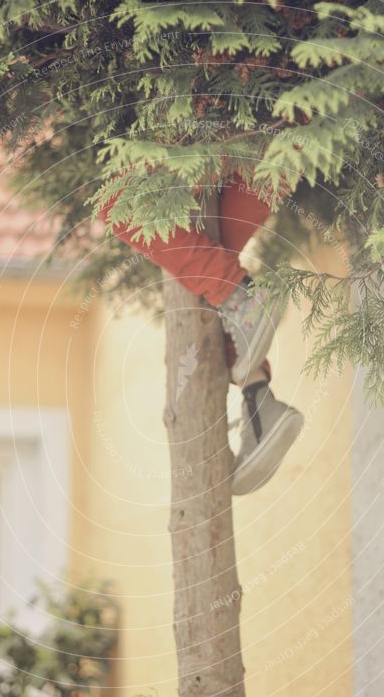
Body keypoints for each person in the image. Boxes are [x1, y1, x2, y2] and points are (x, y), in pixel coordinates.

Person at [99, 176, 303, 495]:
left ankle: (241, 299)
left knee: (116, 203)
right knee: (201, 263)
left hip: (264, 146)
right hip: (277, 154)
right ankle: (258, 397)